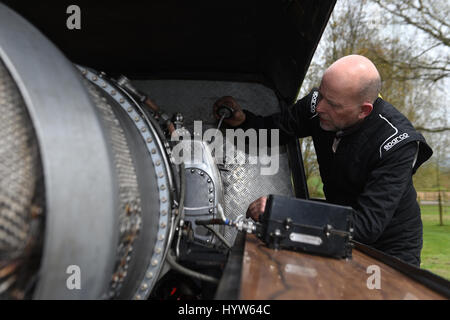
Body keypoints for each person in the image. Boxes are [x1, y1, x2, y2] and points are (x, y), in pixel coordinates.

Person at [212, 55, 432, 267]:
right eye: (322, 94)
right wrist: (244, 121)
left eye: (333, 104)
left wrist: (282, 210)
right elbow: (278, 129)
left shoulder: (397, 142)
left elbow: (367, 225)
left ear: (363, 111)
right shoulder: (318, 105)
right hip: (335, 227)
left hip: (389, 249)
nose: (319, 108)